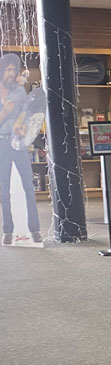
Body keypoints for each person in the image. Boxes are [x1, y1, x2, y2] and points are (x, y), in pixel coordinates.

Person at [0, 54, 41, 245]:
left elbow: (25, 114)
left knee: (28, 187)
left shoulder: (19, 91)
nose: (12, 73)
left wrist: (24, 127)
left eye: (14, 70)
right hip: (1, 144)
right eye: (8, 69)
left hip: (18, 143)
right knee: (4, 189)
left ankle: (35, 229)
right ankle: (8, 230)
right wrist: (5, 112)